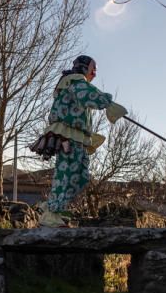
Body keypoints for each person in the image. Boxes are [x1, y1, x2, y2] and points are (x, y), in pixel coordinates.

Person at [35, 55, 127, 228]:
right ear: (85, 68)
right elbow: (87, 95)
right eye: (94, 70)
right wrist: (107, 102)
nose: (94, 74)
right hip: (69, 138)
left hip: (77, 138)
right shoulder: (74, 81)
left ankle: (56, 208)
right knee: (68, 174)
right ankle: (51, 213)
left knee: (81, 176)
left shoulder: (75, 83)